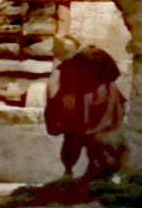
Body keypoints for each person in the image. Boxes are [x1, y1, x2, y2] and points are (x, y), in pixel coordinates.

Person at [45, 37, 127, 181]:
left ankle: (99, 174)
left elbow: (113, 74)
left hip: (98, 101)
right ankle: (70, 172)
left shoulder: (95, 56)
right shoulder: (69, 64)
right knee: (73, 137)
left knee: (98, 139)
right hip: (81, 104)